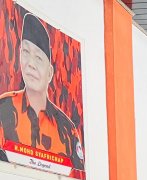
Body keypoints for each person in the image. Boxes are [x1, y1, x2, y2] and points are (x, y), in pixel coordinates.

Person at [0, 13, 84, 170]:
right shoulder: (4, 108)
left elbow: (77, 174)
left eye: (38, 58)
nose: (30, 64)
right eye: (26, 52)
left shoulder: (67, 130)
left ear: (50, 73)